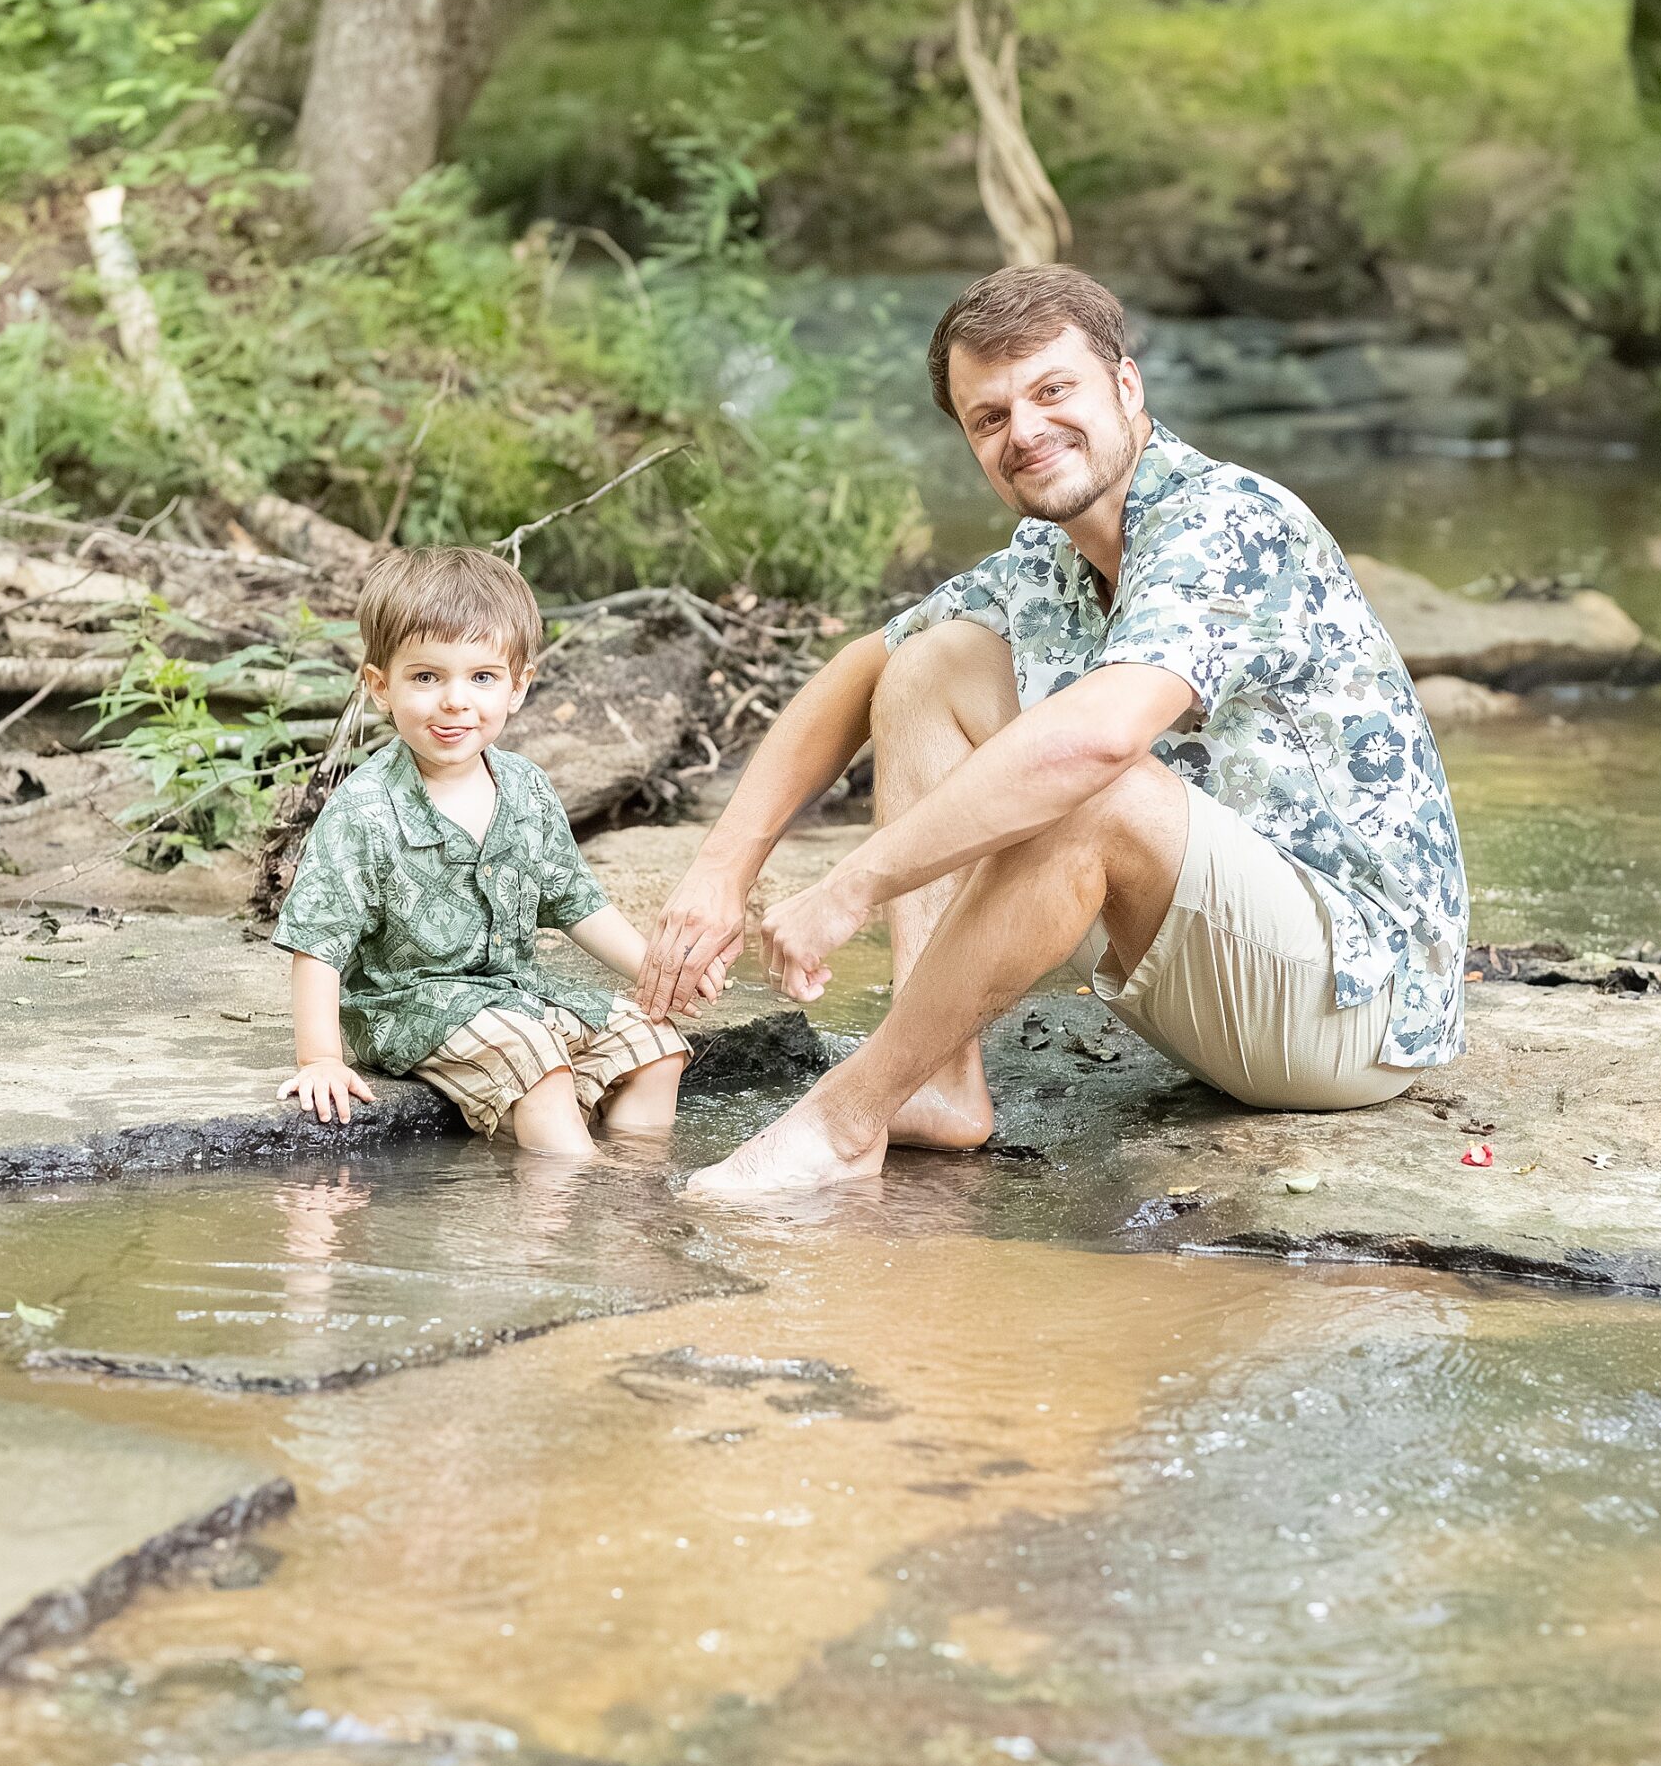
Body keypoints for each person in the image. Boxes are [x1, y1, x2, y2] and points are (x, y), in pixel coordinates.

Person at [634, 265, 1468, 1197]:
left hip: (1351, 1006)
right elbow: (857, 672)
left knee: (1094, 784)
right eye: (988, 418)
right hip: (1207, 954)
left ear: (1125, 386)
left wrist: (849, 888)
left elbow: (1101, 744)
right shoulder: (1048, 556)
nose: (1024, 431)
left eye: (1051, 390)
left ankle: (842, 1118)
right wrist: (720, 872)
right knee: (930, 666)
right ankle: (935, 1081)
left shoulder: (1230, 521)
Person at [275, 547, 697, 1158]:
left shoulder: (525, 787)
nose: (455, 701)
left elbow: (576, 902)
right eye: (426, 677)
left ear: (518, 686)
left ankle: (637, 1188)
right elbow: (319, 941)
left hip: (514, 990)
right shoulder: (365, 810)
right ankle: (575, 1194)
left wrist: (660, 978)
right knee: (538, 1062)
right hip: (409, 1003)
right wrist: (319, 1059)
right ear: (379, 687)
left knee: (656, 1043)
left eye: (482, 677)